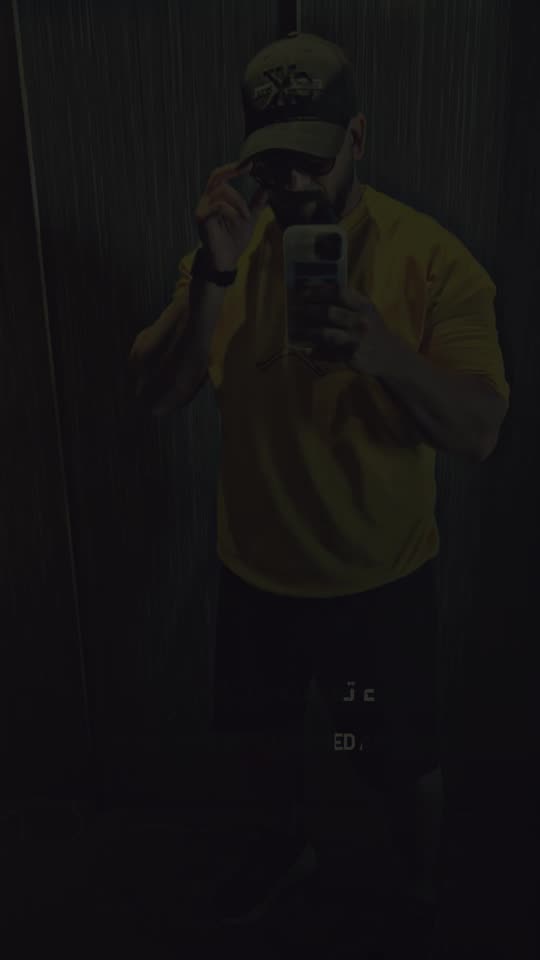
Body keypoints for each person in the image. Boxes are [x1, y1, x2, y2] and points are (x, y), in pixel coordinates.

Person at [128, 32, 510, 930]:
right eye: (275, 163)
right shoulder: (230, 250)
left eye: (313, 157)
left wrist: (386, 354)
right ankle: (284, 851)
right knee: (262, 744)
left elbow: (481, 431)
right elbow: (157, 393)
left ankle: (417, 894)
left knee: (396, 758)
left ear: (357, 138)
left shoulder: (431, 259)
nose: (295, 182)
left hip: (376, 584)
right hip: (254, 576)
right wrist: (214, 275)